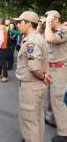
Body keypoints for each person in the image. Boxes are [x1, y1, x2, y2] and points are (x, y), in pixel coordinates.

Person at [14, 11, 52, 142]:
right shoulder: (36, 38)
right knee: (37, 120)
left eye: (20, 22)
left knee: (30, 121)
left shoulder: (32, 42)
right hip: (37, 86)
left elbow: (34, 68)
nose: (17, 25)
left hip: (31, 87)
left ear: (29, 24)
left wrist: (42, 77)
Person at [44, 10, 67, 142]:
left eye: (49, 19)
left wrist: (47, 24)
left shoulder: (63, 30)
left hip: (59, 69)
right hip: (51, 68)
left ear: (56, 20)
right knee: (50, 98)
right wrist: (44, 25)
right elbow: (42, 38)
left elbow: (50, 39)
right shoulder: (51, 30)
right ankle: (52, 119)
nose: (47, 21)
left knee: (57, 100)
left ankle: (64, 132)